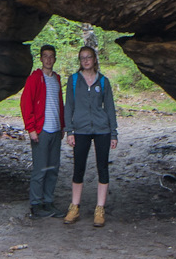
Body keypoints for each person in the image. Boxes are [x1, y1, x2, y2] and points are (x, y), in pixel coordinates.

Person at [63, 45, 118, 227]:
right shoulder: (73, 81)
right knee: (79, 167)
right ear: (80, 61)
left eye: (89, 57)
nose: (86, 60)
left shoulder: (103, 81)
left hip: (102, 129)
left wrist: (113, 133)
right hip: (80, 129)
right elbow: (68, 106)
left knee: (102, 167)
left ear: (95, 59)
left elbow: (109, 108)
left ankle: (100, 209)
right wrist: (69, 131)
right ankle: (74, 207)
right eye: (82, 58)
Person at [19, 44, 64, 217]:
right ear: (41, 58)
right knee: (40, 169)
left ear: (55, 58)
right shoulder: (35, 79)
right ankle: (36, 205)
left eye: (51, 56)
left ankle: (48, 202)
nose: (48, 59)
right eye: (45, 56)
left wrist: (62, 126)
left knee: (53, 168)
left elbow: (59, 104)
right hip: (41, 130)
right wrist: (31, 128)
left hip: (55, 130)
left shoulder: (56, 79)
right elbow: (25, 104)